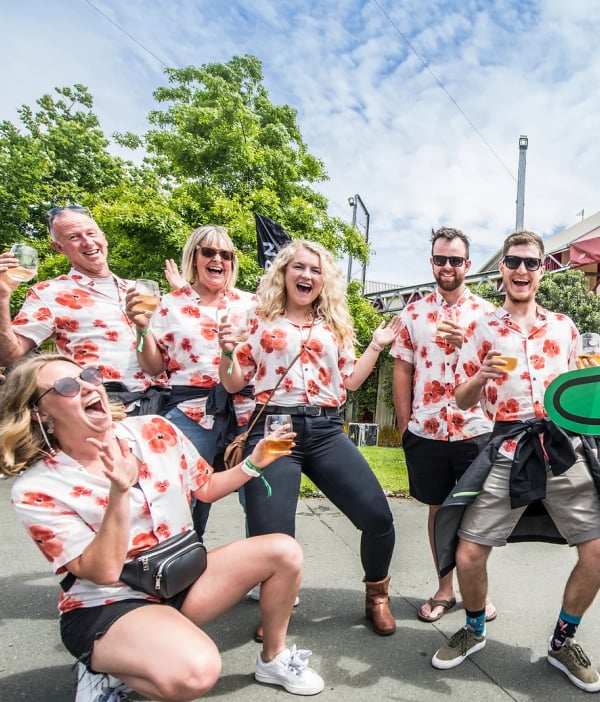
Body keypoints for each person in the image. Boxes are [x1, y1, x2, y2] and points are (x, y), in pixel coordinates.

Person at [0, 354, 324, 702]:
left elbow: (204, 488)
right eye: (68, 386)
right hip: (112, 603)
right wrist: (120, 492)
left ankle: (273, 659)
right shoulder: (37, 488)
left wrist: (254, 462)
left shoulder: (154, 428)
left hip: (178, 579)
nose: (89, 386)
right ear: (40, 412)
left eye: (88, 374)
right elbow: (102, 572)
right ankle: (101, 668)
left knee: (283, 550)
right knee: (195, 673)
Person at [431, 230, 600, 692]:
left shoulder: (565, 327)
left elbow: (576, 398)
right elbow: (463, 401)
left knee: (598, 552)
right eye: (513, 263)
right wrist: (481, 374)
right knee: (468, 553)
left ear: (542, 271)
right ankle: (474, 628)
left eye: (530, 263)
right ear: (501, 270)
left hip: (562, 447)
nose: (521, 271)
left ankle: (563, 641)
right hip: (507, 446)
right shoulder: (482, 329)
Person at [218, 239, 402, 639]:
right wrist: (226, 352)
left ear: (325, 280)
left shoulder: (334, 324)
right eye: (299, 267)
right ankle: (277, 613)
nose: (307, 276)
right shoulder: (257, 318)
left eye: (316, 270)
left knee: (378, 518)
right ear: (283, 272)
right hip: (275, 430)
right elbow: (234, 382)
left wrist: (377, 346)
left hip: (324, 429)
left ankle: (377, 598)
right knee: (274, 536)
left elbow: (350, 380)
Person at [391, 227, 497, 623]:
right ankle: (445, 589)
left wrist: (465, 343)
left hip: (475, 428)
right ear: (432, 263)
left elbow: (500, 371)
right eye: (441, 259)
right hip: (427, 429)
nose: (448, 266)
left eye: (455, 259)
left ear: (468, 265)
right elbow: (402, 368)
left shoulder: (488, 315)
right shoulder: (413, 313)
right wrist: (405, 424)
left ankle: (477, 592)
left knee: (475, 513)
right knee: (438, 509)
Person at [127, 225, 255, 537]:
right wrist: (143, 329)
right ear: (194, 256)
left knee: (257, 496)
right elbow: (154, 366)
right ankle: (181, 571)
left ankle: (266, 577)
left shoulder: (252, 304)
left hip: (246, 412)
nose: (218, 259)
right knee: (179, 494)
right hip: (190, 411)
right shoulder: (168, 303)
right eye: (209, 252)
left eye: (226, 254)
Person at [0, 206, 168, 413]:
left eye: (91, 233)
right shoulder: (49, 292)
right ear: (58, 247)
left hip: (164, 403)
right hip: (104, 407)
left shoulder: (139, 289)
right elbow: (8, 355)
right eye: (74, 237)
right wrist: (2, 296)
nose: (88, 242)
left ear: (103, 237)